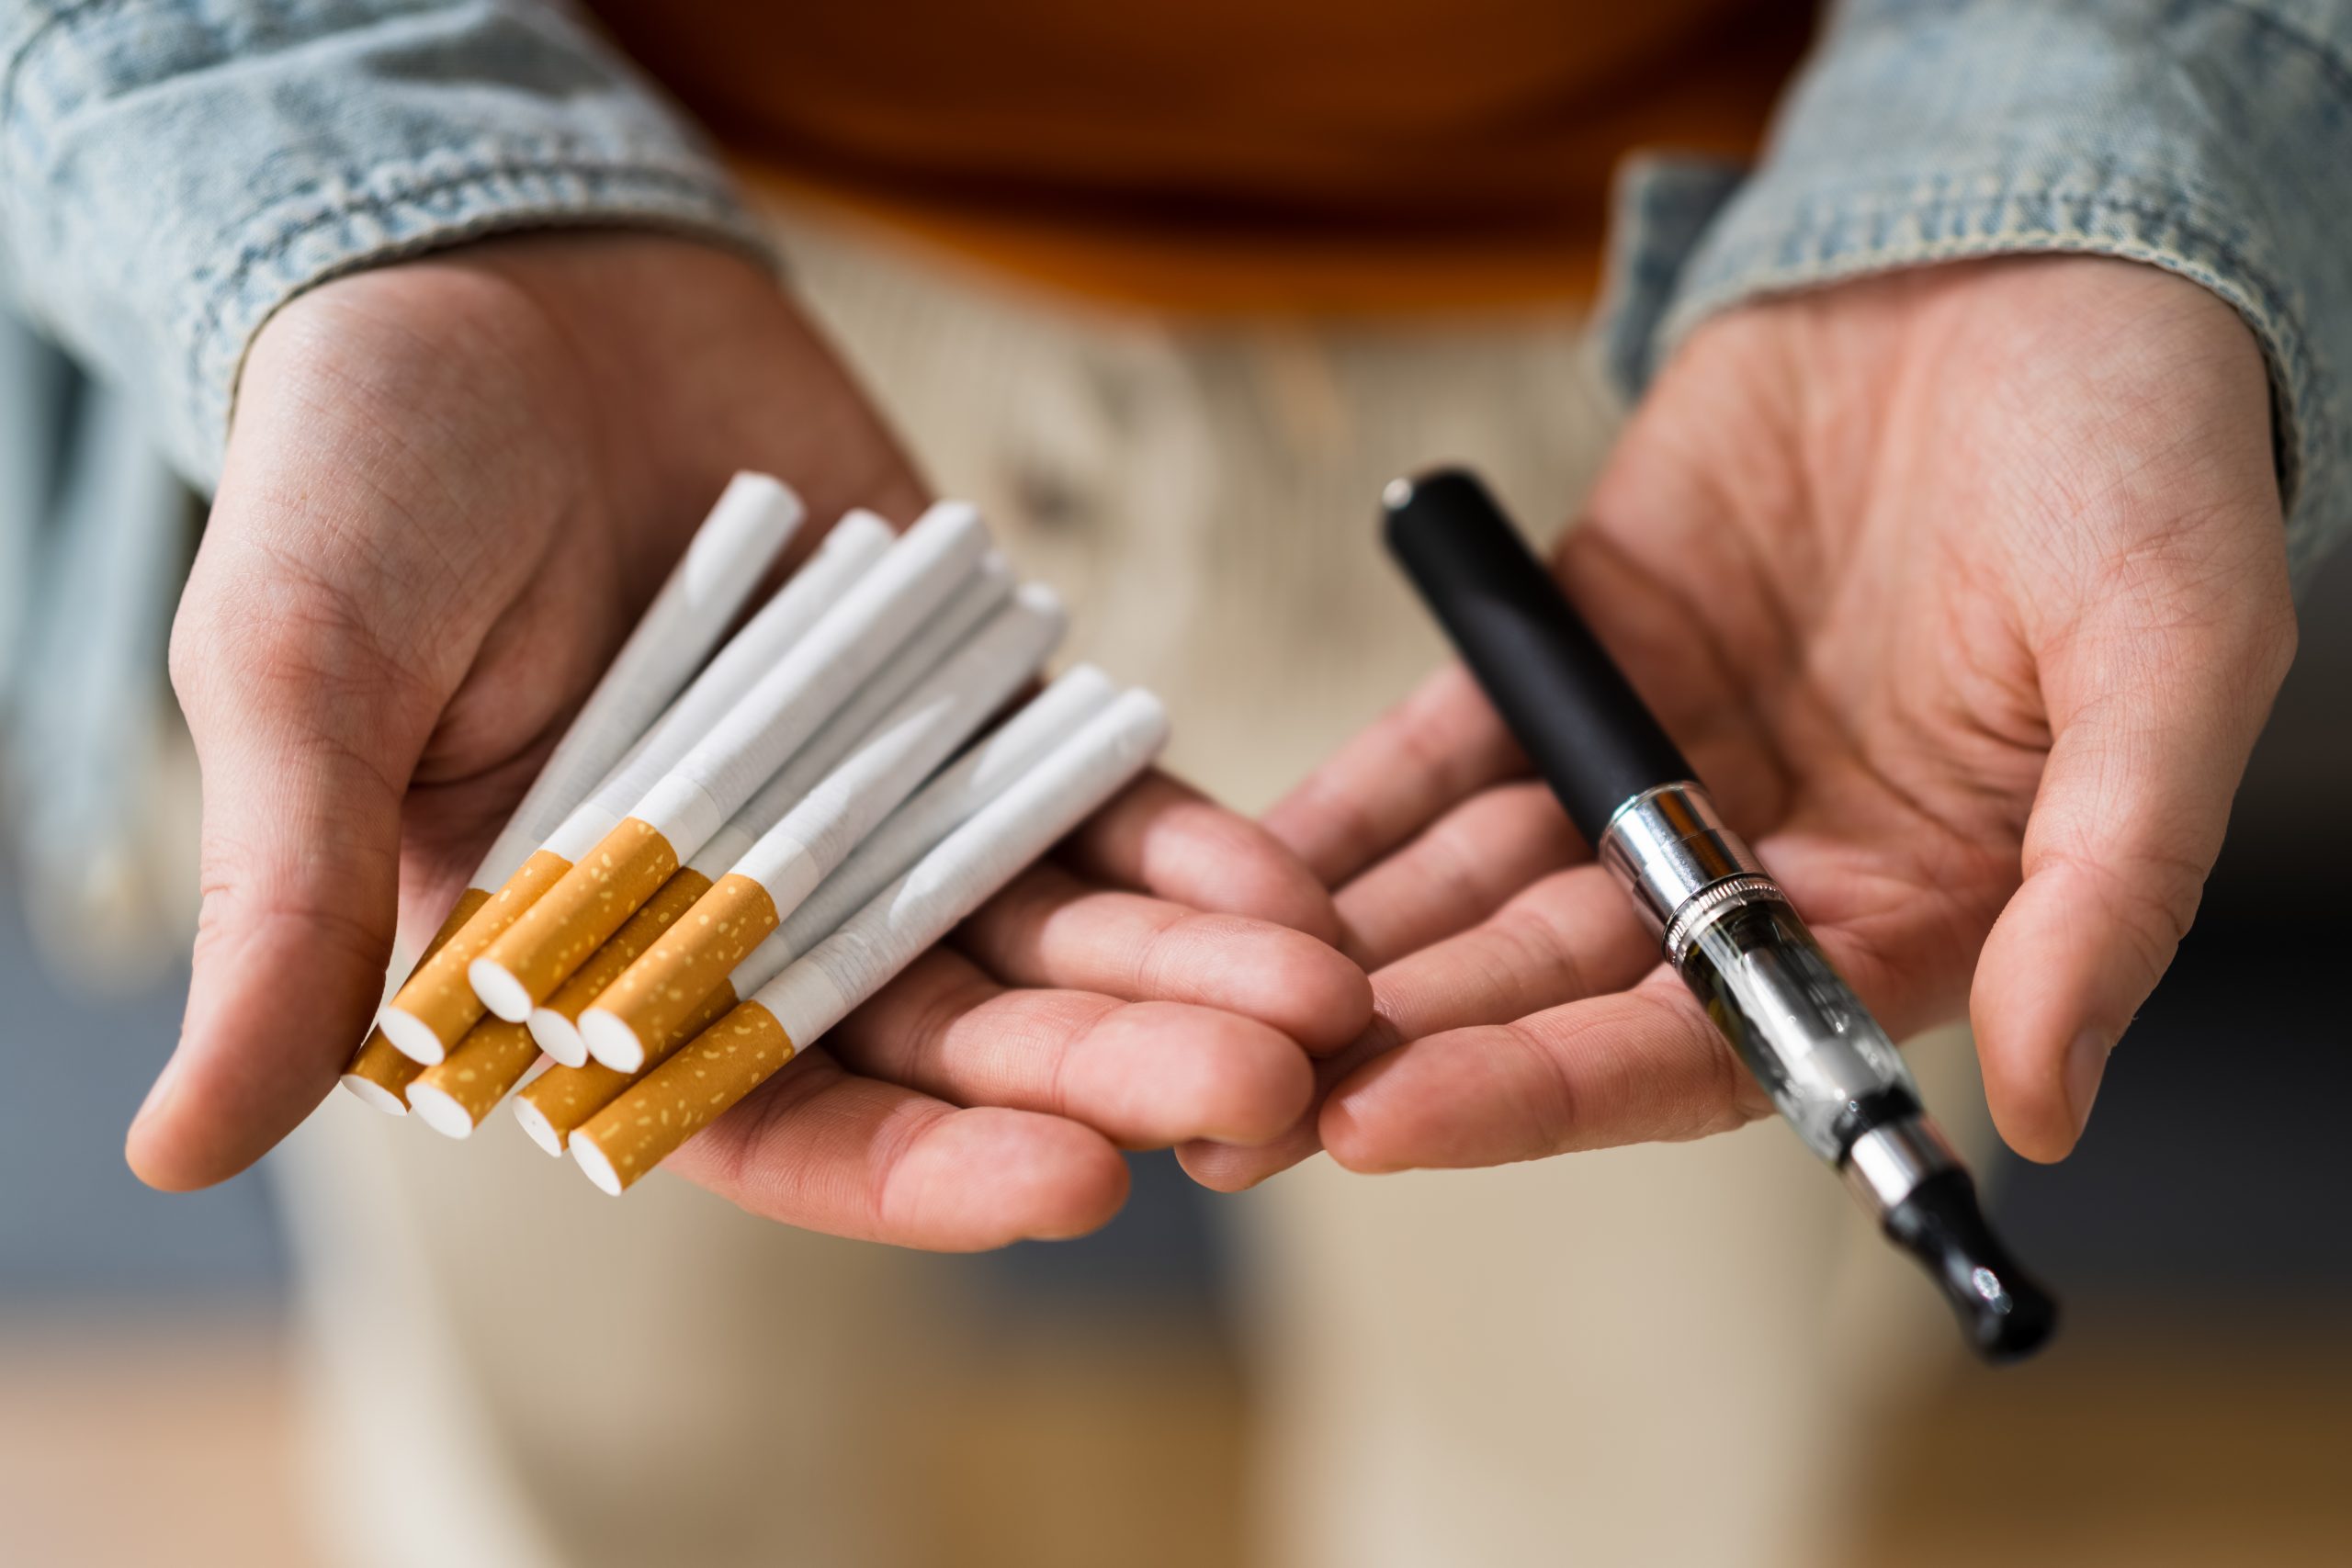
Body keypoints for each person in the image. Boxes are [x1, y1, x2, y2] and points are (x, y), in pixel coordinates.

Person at [6, 2, 2342, 1562]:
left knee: (1618, 1451)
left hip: (1730, 343)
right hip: (629, 303)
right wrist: (332, 172)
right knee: (597, 1446)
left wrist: (2104, 148)